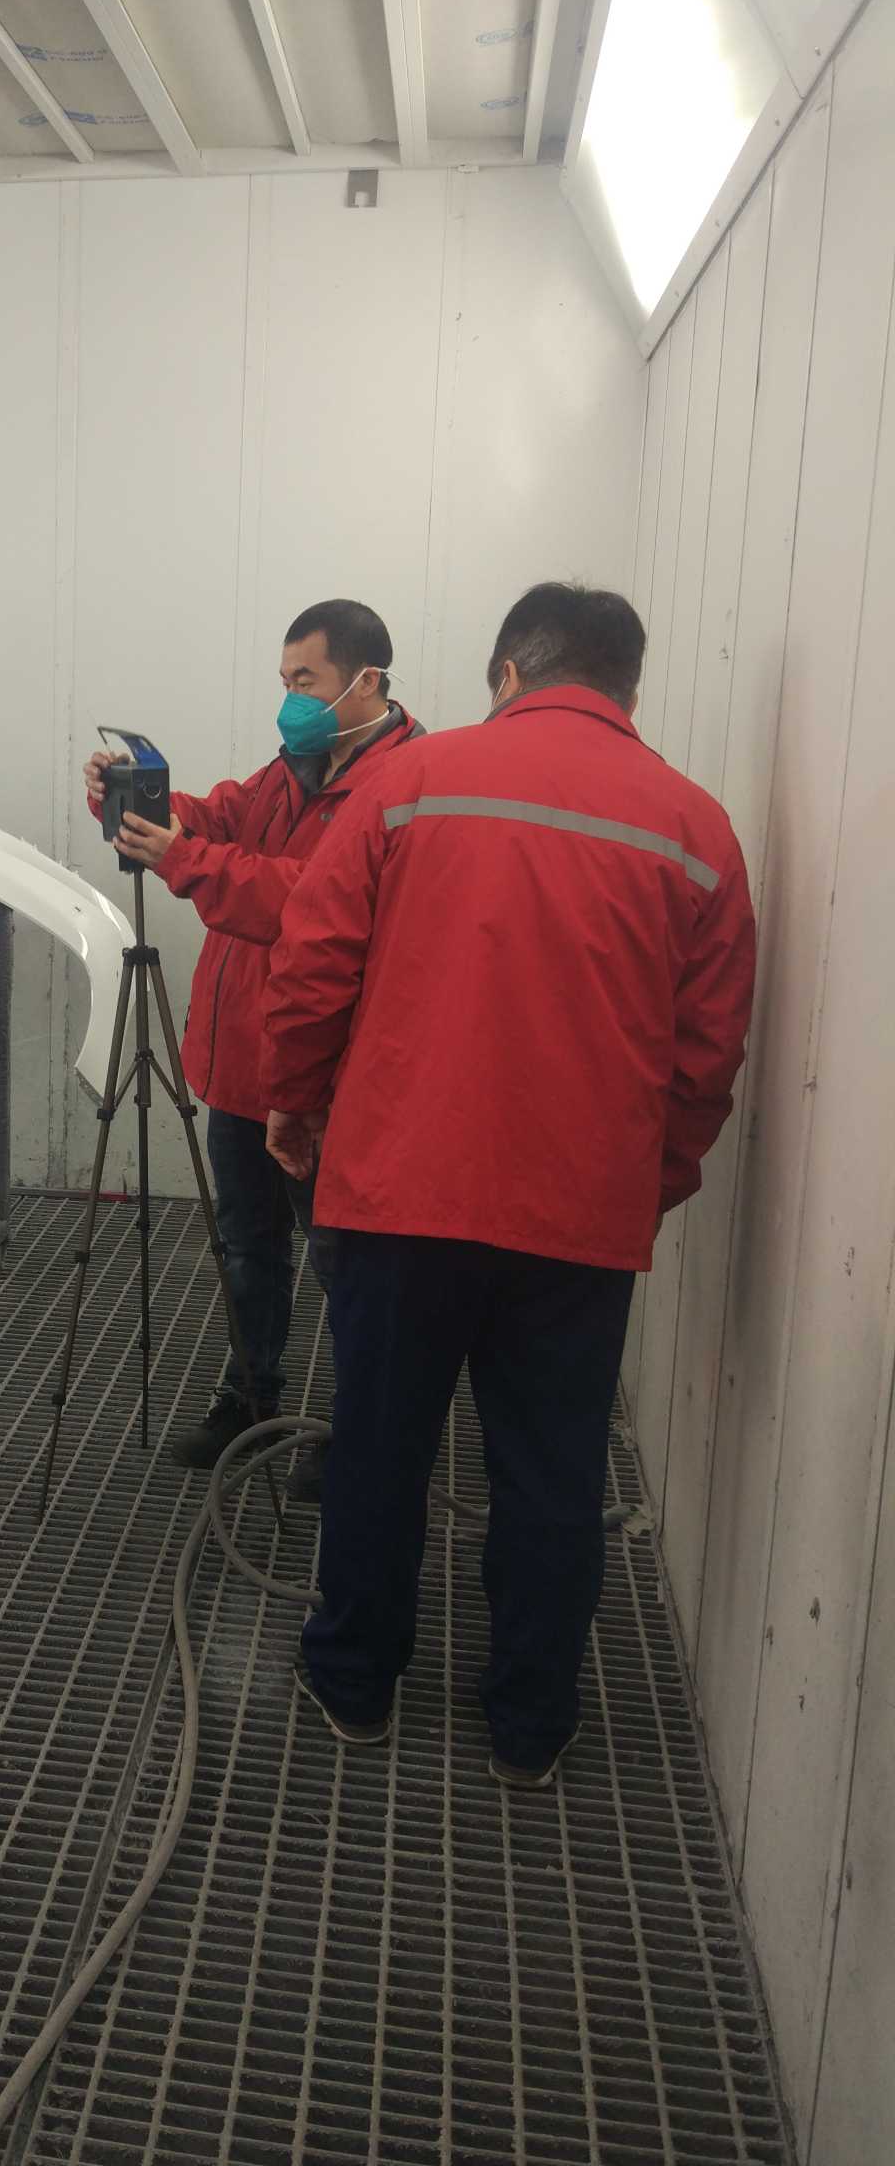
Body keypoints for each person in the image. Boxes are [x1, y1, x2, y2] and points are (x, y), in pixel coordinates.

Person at [262, 583, 756, 1787]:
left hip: (398, 1195)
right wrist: (648, 1183)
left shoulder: (408, 787)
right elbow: (708, 1056)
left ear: (505, 674)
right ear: (626, 689)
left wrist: (295, 1101)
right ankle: (529, 1726)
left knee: (380, 1448)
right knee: (551, 1475)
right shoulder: (697, 832)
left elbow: (315, 967)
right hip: (580, 1219)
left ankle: (355, 1685)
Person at [83, 599, 424, 1480]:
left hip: (327, 1082)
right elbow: (221, 816)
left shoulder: (401, 786)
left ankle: (361, 1435)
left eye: (306, 680)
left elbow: (305, 898)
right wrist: (136, 803)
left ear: (367, 681)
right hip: (242, 1064)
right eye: (285, 681)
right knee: (247, 1248)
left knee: (345, 1264)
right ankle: (251, 1396)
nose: (291, 699)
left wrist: (181, 858)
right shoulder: (294, 767)